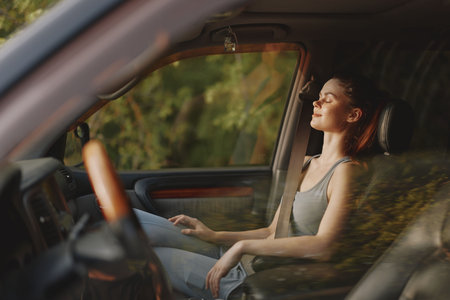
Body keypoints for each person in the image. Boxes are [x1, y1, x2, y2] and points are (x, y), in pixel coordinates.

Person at [134, 72, 385, 299]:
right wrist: (214, 235)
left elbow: (324, 246)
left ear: (353, 115)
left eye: (327, 100)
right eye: (318, 97)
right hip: (242, 257)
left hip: (254, 277)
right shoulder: (307, 162)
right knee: (132, 224)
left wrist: (242, 247)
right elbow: (271, 230)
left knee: (145, 257)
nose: (316, 103)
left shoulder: (345, 173)